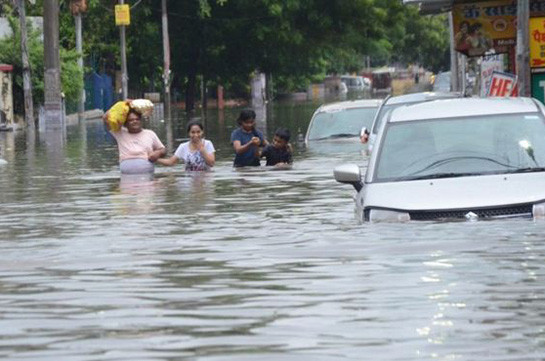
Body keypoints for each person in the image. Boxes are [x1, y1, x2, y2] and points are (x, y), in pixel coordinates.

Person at [103, 104, 166, 174]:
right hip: (126, 177)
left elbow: (162, 149)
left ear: (140, 121)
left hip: (147, 174)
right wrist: (123, 104)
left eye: (137, 119)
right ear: (126, 124)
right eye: (131, 120)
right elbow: (105, 118)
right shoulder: (120, 133)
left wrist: (157, 153)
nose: (135, 121)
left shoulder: (150, 134)